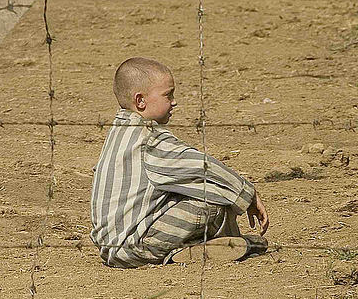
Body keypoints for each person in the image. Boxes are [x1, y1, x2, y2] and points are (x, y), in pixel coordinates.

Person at [91, 57, 269, 267]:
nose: (174, 102)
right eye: (168, 95)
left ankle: (189, 249)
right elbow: (202, 167)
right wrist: (248, 193)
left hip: (111, 248)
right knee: (212, 197)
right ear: (140, 101)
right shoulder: (149, 140)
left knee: (191, 189)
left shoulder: (120, 131)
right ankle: (220, 243)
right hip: (135, 245)